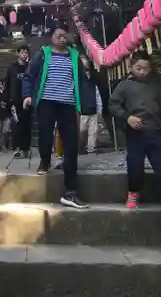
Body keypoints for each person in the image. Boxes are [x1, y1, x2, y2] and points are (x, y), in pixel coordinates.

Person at [109, 51, 161, 239]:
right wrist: (127, 117)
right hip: (136, 134)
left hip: (156, 135)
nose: (142, 72)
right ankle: (133, 190)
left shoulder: (154, 87)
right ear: (131, 67)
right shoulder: (124, 86)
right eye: (138, 68)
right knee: (135, 169)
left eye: (146, 68)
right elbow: (113, 105)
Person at [22, 23, 88, 209]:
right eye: (58, 35)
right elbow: (29, 76)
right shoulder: (42, 54)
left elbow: (81, 81)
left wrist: (81, 104)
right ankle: (44, 160)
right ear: (52, 37)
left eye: (64, 36)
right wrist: (28, 95)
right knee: (45, 135)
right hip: (46, 102)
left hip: (68, 104)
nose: (62, 38)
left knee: (71, 146)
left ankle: (71, 191)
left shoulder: (75, 56)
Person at [6, 45, 32, 158]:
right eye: (22, 52)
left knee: (26, 125)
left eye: (26, 53)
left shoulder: (29, 67)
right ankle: (17, 147)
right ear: (18, 53)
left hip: (27, 100)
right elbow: (7, 84)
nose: (24, 55)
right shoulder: (12, 68)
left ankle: (26, 148)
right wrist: (7, 99)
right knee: (16, 124)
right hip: (15, 101)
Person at [79, 56, 103, 154]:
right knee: (82, 131)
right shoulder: (78, 85)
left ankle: (91, 148)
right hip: (82, 112)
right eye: (86, 71)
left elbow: (98, 98)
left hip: (93, 111)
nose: (87, 73)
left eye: (89, 71)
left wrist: (99, 110)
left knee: (93, 132)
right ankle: (80, 148)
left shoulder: (93, 85)